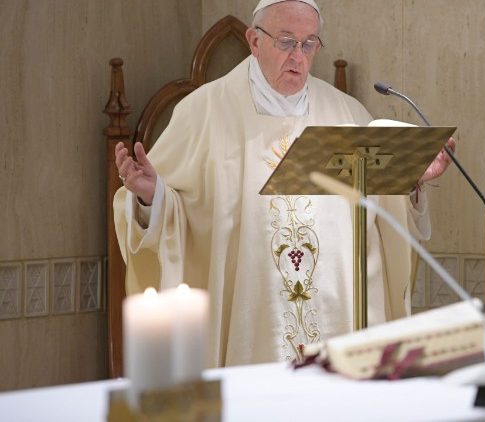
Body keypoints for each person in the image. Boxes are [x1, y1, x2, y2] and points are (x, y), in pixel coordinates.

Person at [113, 0, 455, 367]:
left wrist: (411, 179)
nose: (299, 56)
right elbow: (178, 220)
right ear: (254, 41)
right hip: (251, 325)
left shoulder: (346, 113)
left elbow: (384, 216)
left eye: (309, 44)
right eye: (287, 41)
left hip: (339, 324)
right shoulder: (204, 112)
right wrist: (153, 196)